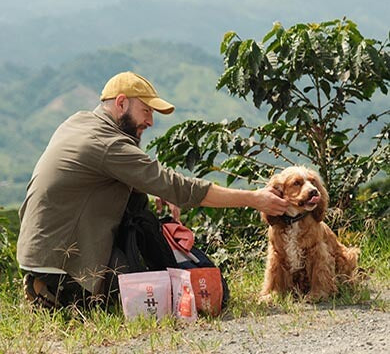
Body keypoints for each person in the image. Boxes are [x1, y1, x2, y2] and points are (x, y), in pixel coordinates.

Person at [17, 71, 288, 309]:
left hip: (38, 253)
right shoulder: (110, 145)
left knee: (136, 206)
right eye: (146, 111)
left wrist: (149, 185)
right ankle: (55, 294)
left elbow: (107, 173)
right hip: (61, 261)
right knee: (147, 298)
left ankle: (50, 286)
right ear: (121, 103)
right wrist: (254, 199)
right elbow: (179, 186)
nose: (150, 121)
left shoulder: (79, 122)